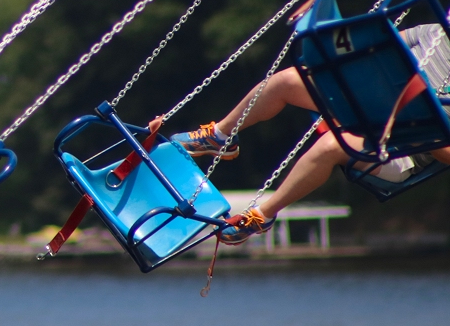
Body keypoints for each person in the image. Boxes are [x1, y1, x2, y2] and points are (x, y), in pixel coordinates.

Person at [171, 21, 450, 244]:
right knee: (288, 80)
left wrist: (415, 115)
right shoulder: (432, 33)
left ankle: (263, 215)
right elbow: (372, 50)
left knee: (331, 145)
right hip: (367, 106)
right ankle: (221, 136)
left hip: (401, 150)